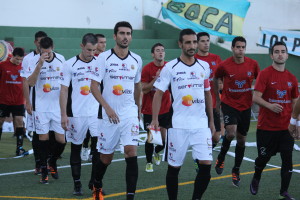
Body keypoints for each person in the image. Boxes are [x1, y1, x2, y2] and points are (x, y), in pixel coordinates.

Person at [151, 28, 214, 200]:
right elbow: (158, 93)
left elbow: (208, 93)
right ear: (180, 44)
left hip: (201, 126)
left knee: (206, 166)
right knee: (174, 168)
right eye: (188, 42)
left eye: (195, 42)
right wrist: (155, 119)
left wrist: (212, 122)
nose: (192, 45)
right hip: (178, 126)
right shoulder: (170, 68)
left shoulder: (205, 66)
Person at [90, 21, 142, 200]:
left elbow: (137, 87)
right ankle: (97, 184)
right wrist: (107, 108)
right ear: (115, 36)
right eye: (122, 33)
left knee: (131, 151)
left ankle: (130, 196)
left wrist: (138, 111)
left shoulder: (137, 59)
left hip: (129, 114)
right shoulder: (103, 58)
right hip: (108, 115)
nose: (125, 36)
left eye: (128, 33)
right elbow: (94, 87)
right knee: (106, 158)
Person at [250, 41, 298, 200]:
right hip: (266, 128)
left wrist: (296, 123)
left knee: (288, 161)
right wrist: (269, 106)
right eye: (276, 51)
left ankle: (283, 192)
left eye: (283, 51)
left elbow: (295, 103)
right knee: (263, 158)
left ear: (287, 55)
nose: (280, 54)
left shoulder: (292, 78)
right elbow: (255, 97)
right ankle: (257, 176)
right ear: (271, 55)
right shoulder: (265, 74)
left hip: (286, 129)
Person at [213, 36, 260, 187]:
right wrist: (218, 99)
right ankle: (221, 157)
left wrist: (261, 97)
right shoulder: (224, 65)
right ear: (232, 48)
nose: (240, 50)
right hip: (229, 104)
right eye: (238, 47)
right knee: (231, 133)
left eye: (243, 47)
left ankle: (236, 169)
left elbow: (260, 81)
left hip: (245, 106)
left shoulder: (253, 64)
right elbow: (215, 78)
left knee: (241, 140)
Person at [60, 33, 100, 195]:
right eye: (89, 50)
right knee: (76, 148)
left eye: (94, 50)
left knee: (98, 148)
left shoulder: (100, 63)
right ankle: (77, 183)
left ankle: (94, 181)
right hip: (76, 114)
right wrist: (63, 114)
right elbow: (63, 91)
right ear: (82, 46)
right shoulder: (69, 64)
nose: (91, 54)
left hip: (97, 113)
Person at [27, 37, 66, 184]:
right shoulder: (34, 61)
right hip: (41, 107)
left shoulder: (61, 59)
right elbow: (30, 82)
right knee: (43, 139)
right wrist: (40, 64)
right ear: (39, 50)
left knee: (61, 140)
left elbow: (65, 83)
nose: (46, 54)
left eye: (48, 52)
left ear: (53, 47)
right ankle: (44, 170)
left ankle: (53, 162)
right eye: (43, 52)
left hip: (57, 107)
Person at [20, 30, 48, 174]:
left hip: (50, 105)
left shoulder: (54, 57)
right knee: (37, 133)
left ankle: (48, 161)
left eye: (44, 41)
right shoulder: (28, 59)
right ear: (35, 42)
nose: (42, 44)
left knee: (51, 135)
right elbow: (25, 82)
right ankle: (39, 163)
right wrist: (28, 102)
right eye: (39, 41)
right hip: (35, 103)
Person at [141, 43, 171, 172]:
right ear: (153, 54)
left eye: (162, 50)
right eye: (158, 51)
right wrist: (156, 79)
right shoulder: (147, 69)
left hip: (166, 108)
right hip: (149, 109)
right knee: (151, 138)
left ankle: (157, 152)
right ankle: (149, 162)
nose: (161, 53)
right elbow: (144, 89)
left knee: (163, 141)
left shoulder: (169, 67)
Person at [81, 33, 107, 162]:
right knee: (87, 127)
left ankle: (94, 150)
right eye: (101, 42)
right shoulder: (90, 58)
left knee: (98, 127)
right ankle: (85, 146)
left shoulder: (106, 59)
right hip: (87, 96)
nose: (103, 45)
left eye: (104, 42)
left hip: (100, 98)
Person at [195, 32, 222, 147]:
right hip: (198, 103)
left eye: (207, 41)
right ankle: (200, 160)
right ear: (197, 44)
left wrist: (221, 84)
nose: (206, 43)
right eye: (203, 41)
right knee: (202, 134)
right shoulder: (193, 59)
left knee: (216, 136)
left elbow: (221, 77)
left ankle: (205, 154)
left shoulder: (216, 58)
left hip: (214, 102)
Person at [0, 47, 27, 156]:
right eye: (17, 59)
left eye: (20, 59)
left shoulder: (24, 67)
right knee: (0, 121)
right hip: (3, 100)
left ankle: (19, 148)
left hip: (19, 100)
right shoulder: (2, 66)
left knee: (19, 121)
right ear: (12, 55)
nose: (18, 61)